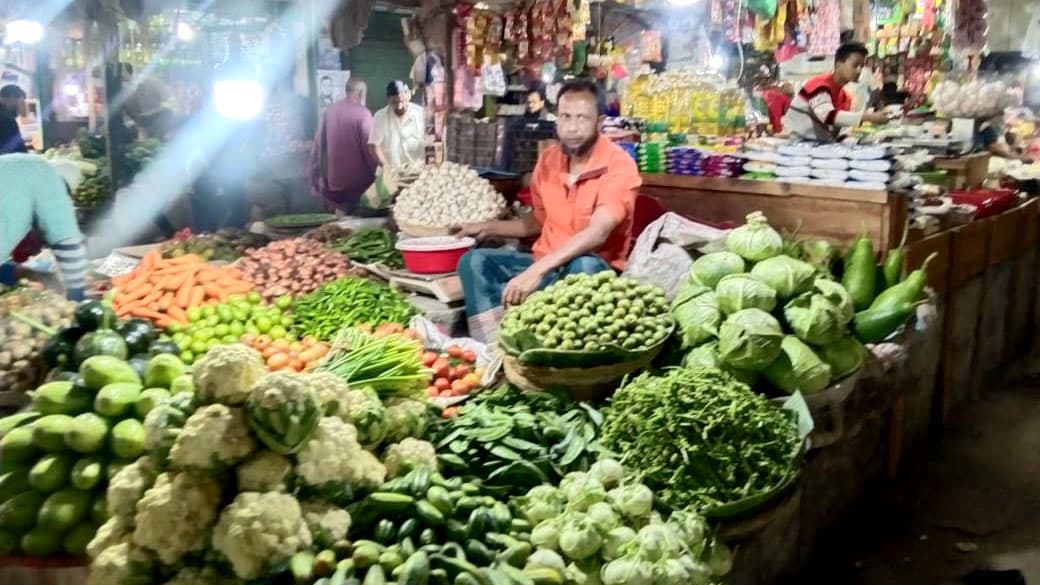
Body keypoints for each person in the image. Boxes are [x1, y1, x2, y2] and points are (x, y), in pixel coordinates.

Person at [455, 79, 642, 341]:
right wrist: (486, 227)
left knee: (584, 267)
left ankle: (564, 352)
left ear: (599, 123)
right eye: (565, 117)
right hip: (545, 264)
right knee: (474, 261)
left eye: (582, 118)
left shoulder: (619, 166)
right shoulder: (549, 159)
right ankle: (491, 346)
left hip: (593, 270)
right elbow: (538, 223)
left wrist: (536, 272)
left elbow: (598, 233)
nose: (572, 128)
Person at [0, 154, 88, 300]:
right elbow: (67, 242)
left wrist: (25, 273)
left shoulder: (16, 172)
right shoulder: (48, 178)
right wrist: (76, 296)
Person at [782, 43, 890, 141]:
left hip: (820, 148)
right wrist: (867, 117)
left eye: (861, 66)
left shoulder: (845, 97)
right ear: (838, 65)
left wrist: (860, 142)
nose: (859, 70)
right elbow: (827, 115)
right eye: (855, 65)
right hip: (798, 145)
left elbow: (839, 133)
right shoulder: (819, 85)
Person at [309, 78, 379, 212]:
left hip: (333, 188)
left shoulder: (329, 111)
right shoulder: (363, 114)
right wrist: (380, 175)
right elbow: (370, 149)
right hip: (359, 187)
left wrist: (314, 180)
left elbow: (317, 148)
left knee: (341, 225)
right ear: (360, 93)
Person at [369, 81, 425, 171]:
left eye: (401, 100)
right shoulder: (380, 116)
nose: (398, 104)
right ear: (388, 100)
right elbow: (374, 146)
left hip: (416, 172)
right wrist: (387, 168)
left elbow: (430, 142)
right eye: (394, 101)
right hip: (389, 172)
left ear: (409, 95)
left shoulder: (421, 113)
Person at [120, 64, 175, 140]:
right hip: (142, 123)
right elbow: (126, 111)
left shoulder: (152, 82)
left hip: (158, 119)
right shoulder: (122, 91)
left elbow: (167, 99)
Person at [0, 84, 28, 154]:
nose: (23, 105)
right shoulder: (7, 119)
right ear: (11, 98)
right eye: (22, 101)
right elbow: (16, 150)